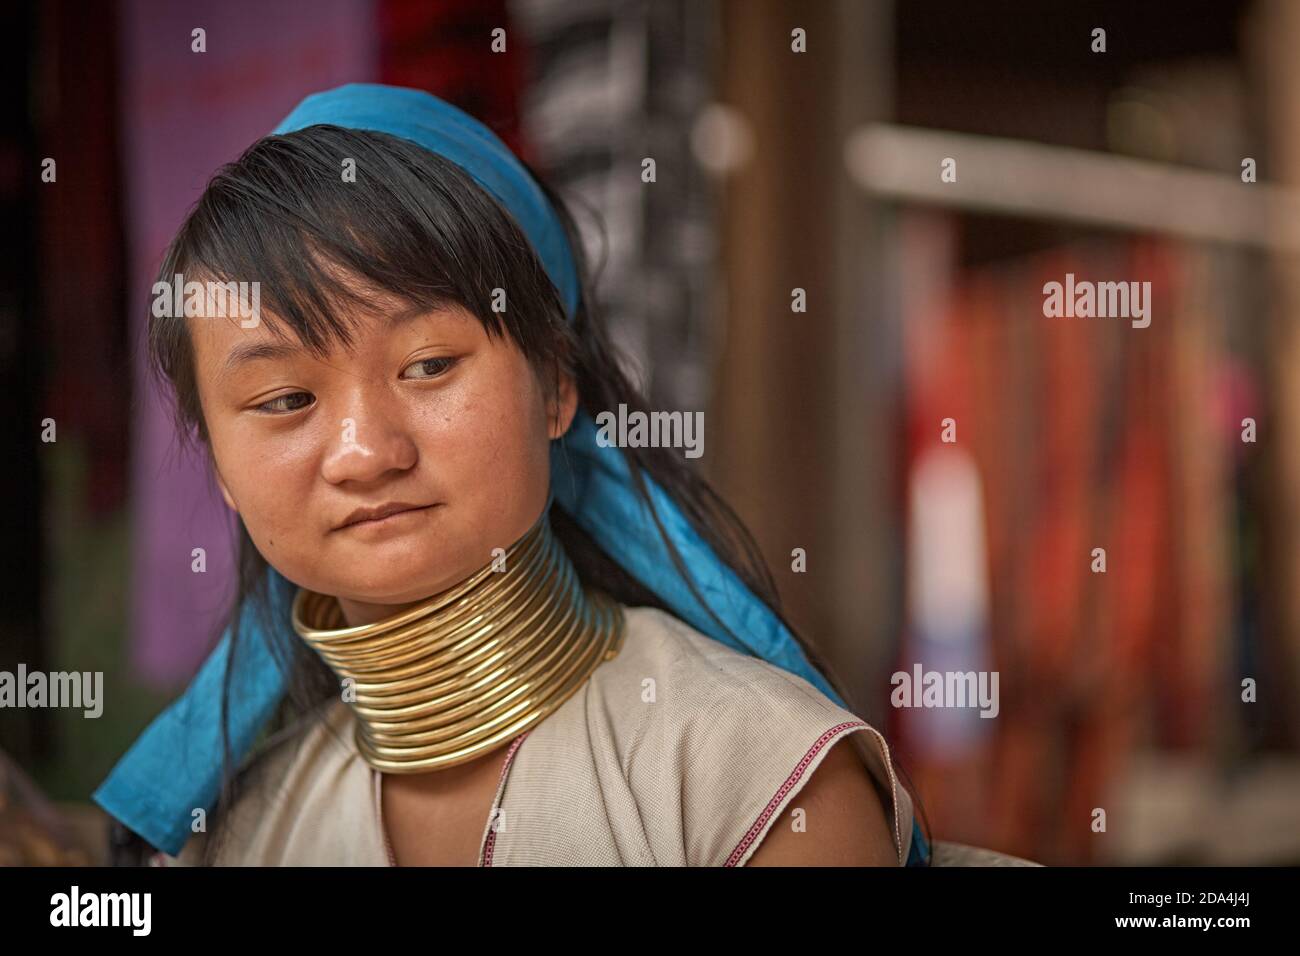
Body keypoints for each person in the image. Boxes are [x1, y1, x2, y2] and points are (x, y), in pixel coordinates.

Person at [94, 83, 930, 867]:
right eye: (284, 398)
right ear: (223, 473)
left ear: (555, 385)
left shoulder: (753, 778)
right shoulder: (243, 833)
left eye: (427, 365)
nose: (365, 451)